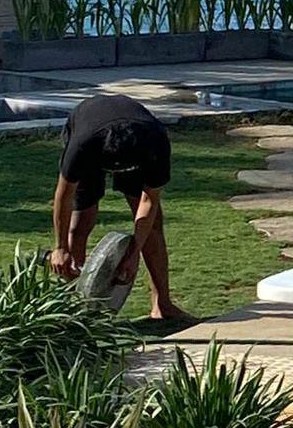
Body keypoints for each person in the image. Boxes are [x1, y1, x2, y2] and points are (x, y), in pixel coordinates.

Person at [50, 93, 191, 322]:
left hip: (138, 141)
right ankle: (77, 308)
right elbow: (64, 196)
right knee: (80, 222)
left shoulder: (156, 142)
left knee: (154, 225)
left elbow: (149, 201)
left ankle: (162, 305)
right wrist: (60, 247)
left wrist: (133, 254)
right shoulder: (82, 145)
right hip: (88, 125)